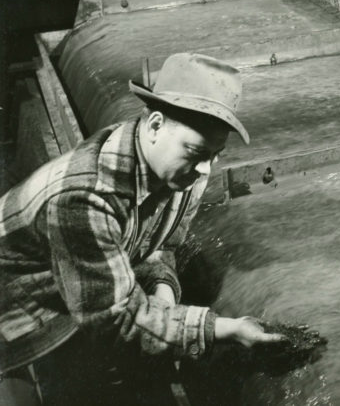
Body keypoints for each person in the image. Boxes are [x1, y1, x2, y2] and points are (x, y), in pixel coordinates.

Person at [0, 53, 285, 405]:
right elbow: (116, 320)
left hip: (73, 297)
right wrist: (226, 329)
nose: (206, 171)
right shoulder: (83, 198)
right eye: (196, 152)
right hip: (17, 320)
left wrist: (163, 291)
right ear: (153, 125)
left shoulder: (183, 171)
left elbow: (159, 245)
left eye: (216, 155)